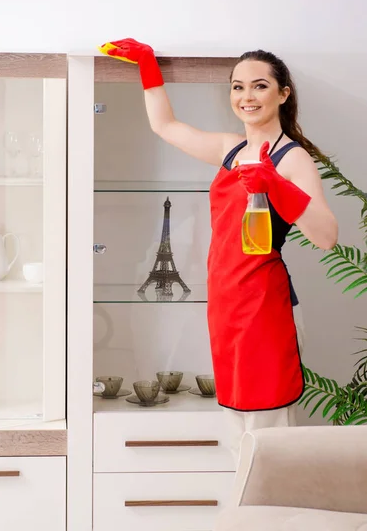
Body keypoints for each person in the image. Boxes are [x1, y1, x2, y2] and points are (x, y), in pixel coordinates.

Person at [100, 38, 338, 464]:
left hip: (264, 305)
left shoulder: (291, 158)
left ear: (283, 94)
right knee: (235, 431)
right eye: (237, 86)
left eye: (260, 86)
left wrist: (276, 184)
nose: (247, 96)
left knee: (267, 435)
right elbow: (165, 126)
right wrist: (147, 64)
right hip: (226, 303)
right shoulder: (230, 149)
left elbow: (326, 235)